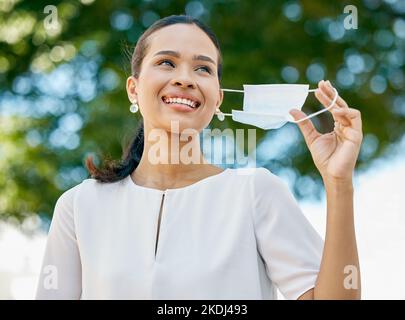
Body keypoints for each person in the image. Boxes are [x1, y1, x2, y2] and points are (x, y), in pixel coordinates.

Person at [35, 15, 363, 300]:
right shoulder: (80, 206)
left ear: (218, 99)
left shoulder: (255, 193)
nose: (185, 78)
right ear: (133, 89)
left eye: (203, 68)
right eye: (166, 62)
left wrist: (338, 183)